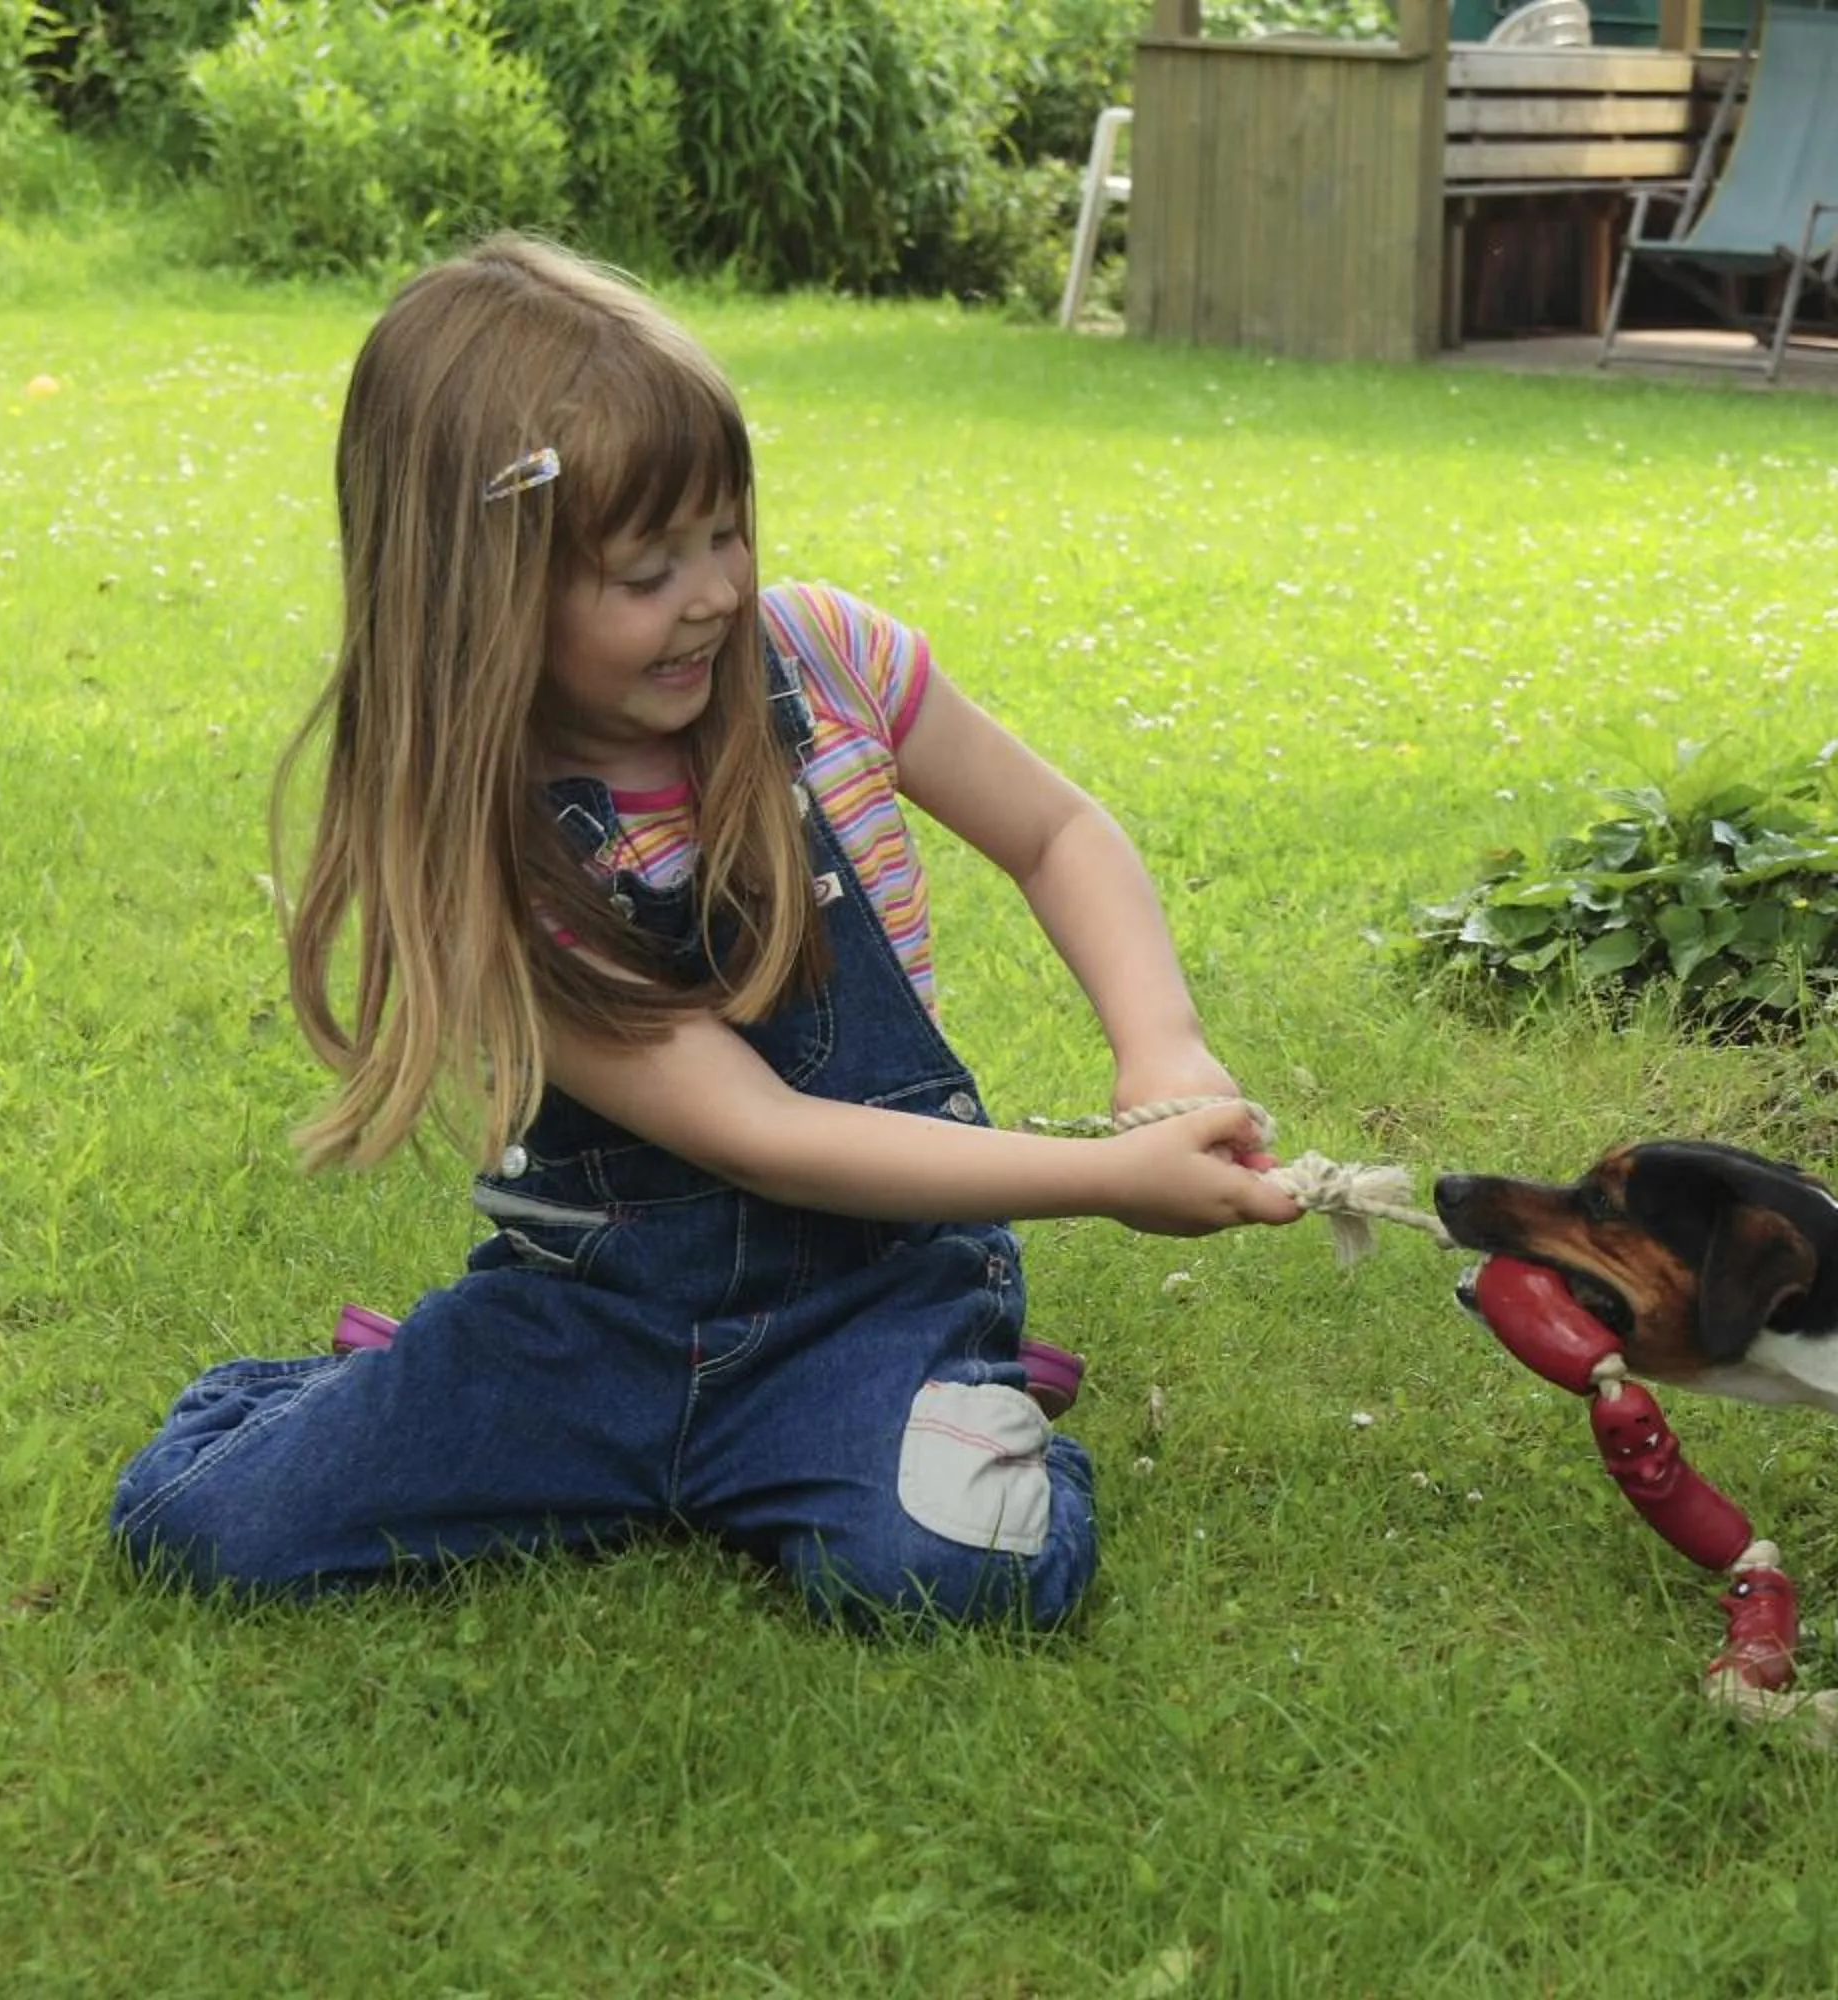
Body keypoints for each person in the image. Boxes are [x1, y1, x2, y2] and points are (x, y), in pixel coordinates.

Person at [109, 234, 1302, 1632]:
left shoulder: (828, 661)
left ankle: (951, 1406)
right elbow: (757, 1132)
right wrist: (1101, 1181)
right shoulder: (489, 854)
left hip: (870, 1306)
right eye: (646, 568)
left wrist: (1158, 1050)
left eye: (726, 531)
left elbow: (1058, 833)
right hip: (591, 1330)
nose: (714, 593)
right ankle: (404, 1401)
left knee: (948, 1577)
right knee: (201, 1527)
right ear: (486, 594)